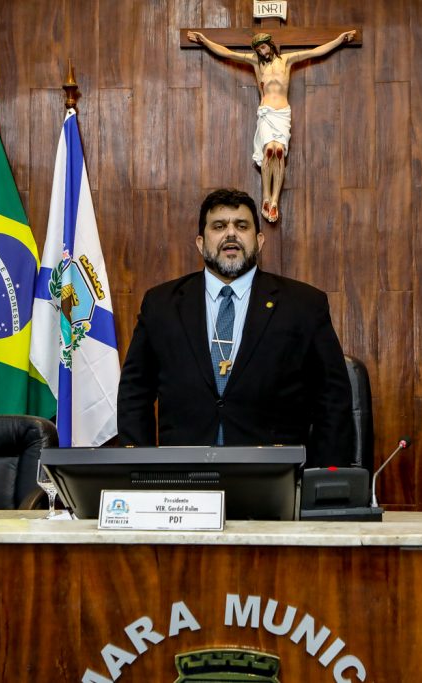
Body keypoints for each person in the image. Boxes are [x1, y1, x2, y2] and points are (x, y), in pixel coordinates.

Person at [117, 188, 354, 467]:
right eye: (219, 226)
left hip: (273, 481)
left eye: (242, 226)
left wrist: (320, 481)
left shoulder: (303, 304)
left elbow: (333, 401)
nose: (231, 234)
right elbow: (134, 393)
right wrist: (142, 474)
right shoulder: (161, 304)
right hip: (182, 479)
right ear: (200, 242)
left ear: (260, 240)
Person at [187, 30, 356, 223]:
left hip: (282, 113)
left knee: (279, 152)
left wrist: (339, 40)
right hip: (266, 112)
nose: (261, 51)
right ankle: (266, 196)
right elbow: (228, 53)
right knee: (269, 150)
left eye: (263, 46)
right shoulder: (256, 63)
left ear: (270, 44)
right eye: (258, 48)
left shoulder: (287, 60)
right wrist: (205, 41)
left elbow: (317, 51)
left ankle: (274, 200)